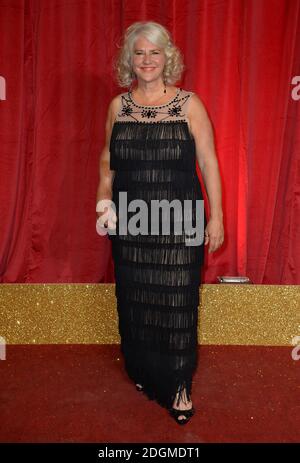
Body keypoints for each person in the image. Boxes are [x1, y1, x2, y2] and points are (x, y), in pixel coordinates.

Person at [96, 21, 224, 425]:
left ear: (167, 57)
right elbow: (106, 161)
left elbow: (208, 162)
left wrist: (216, 216)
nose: (147, 60)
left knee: (179, 304)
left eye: (154, 52)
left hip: (180, 218)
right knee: (138, 299)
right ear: (129, 60)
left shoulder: (189, 104)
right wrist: (103, 200)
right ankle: (146, 371)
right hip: (131, 220)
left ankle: (179, 383)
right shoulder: (119, 106)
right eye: (139, 53)